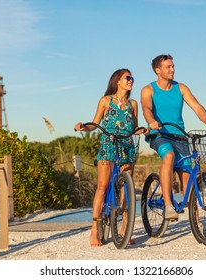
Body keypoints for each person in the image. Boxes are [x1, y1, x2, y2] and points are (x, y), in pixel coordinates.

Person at [140, 54, 206, 220]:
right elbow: (146, 108)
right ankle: (168, 206)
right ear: (158, 70)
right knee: (168, 156)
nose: (172, 69)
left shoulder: (181, 88)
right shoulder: (148, 89)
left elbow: (197, 106)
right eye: (168, 67)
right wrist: (152, 121)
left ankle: (196, 222)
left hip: (180, 135)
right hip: (160, 134)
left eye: (173, 66)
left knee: (187, 175)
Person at [75, 68, 143, 247]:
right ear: (117, 81)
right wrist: (83, 127)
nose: (131, 81)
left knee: (127, 189)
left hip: (127, 145)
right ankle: (94, 229)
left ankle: (125, 229)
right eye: (127, 78)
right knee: (103, 187)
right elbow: (95, 123)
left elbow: (134, 127)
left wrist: (142, 130)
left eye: (132, 78)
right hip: (108, 145)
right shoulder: (106, 101)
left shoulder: (133, 104)